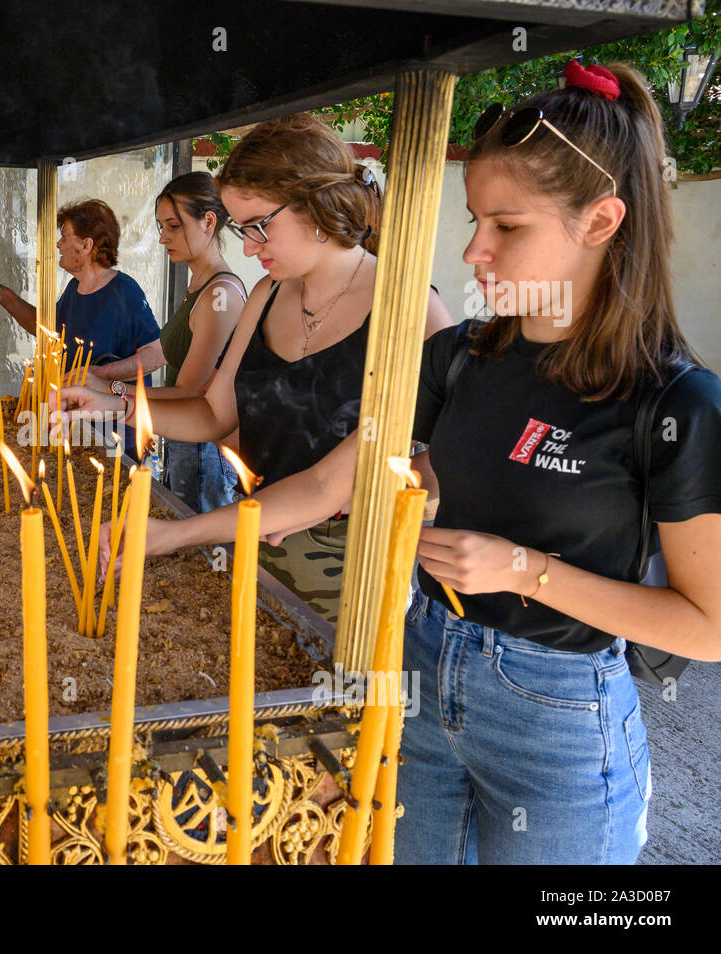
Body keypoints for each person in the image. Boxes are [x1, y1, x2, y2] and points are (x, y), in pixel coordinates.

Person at [98, 62, 721, 864]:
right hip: (425, 669)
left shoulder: (675, 401)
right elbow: (331, 482)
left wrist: (523, 569)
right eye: (474, 220)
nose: (474, 249)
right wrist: (173, 537)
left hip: (558, 714)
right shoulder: (458, 357)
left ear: (601, 221)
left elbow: (705, 628)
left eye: (506, 226)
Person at [61, 113, 453, 621]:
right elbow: (213, 414)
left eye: (259, 227)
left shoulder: (408, 306)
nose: (247, 247)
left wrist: (178, 534)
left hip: (355, 574)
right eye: (240, 229)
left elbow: (349, 481)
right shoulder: (267, 295)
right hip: (254, 538)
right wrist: (115, 405)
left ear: (317, 205)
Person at [76, 172, 247, 513]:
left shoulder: (220, 294)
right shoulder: (200, 286)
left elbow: (189, 391)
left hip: (206, 450)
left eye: (173, 226)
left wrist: (110, 389)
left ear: (208, 222)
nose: (162, 238)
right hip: (186, 442)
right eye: (160, 227)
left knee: (201, 546)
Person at [0, 198, 162, 379]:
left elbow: (156, 353)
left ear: (86, 245)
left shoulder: (124, 291)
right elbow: (46, 328)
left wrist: (101, 374)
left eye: (65, 237)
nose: (58, 244)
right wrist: (5, 296)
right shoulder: (75, 288)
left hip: (113, 407)